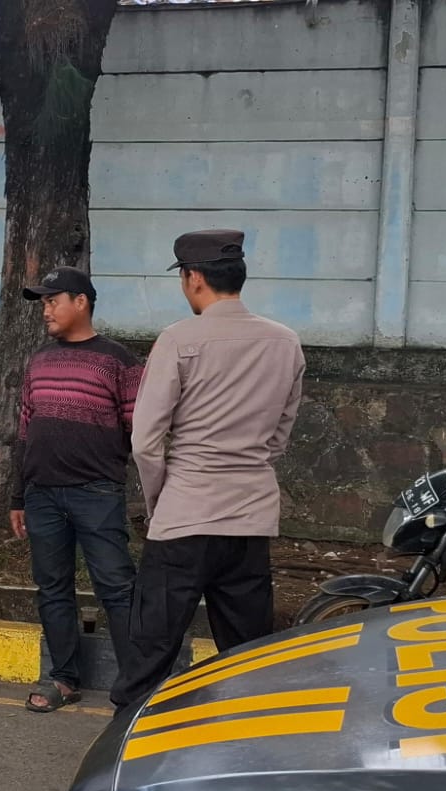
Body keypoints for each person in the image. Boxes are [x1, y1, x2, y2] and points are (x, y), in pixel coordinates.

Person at [109, 229, 306, 716]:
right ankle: (249, 736)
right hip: (250, 517)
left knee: (151, 648)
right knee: (247, 651)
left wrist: (159, 501)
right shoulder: (285, 342)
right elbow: (279, 435)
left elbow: (146, 440)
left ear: (194, 278)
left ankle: (130, 736)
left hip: (185, 514)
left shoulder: (179, 339)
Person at [9, 266, 143, 713]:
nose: (45, 310)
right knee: (52, 588)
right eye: (43, 303)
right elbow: (25, 429)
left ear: (81, 302)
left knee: (117, 588)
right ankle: (63, 679)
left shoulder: (118, 361)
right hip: (42, 495)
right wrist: (17, 496)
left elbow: (139, 428)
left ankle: (136, 688)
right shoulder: (39, 360)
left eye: (53, 301)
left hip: (97, 494)